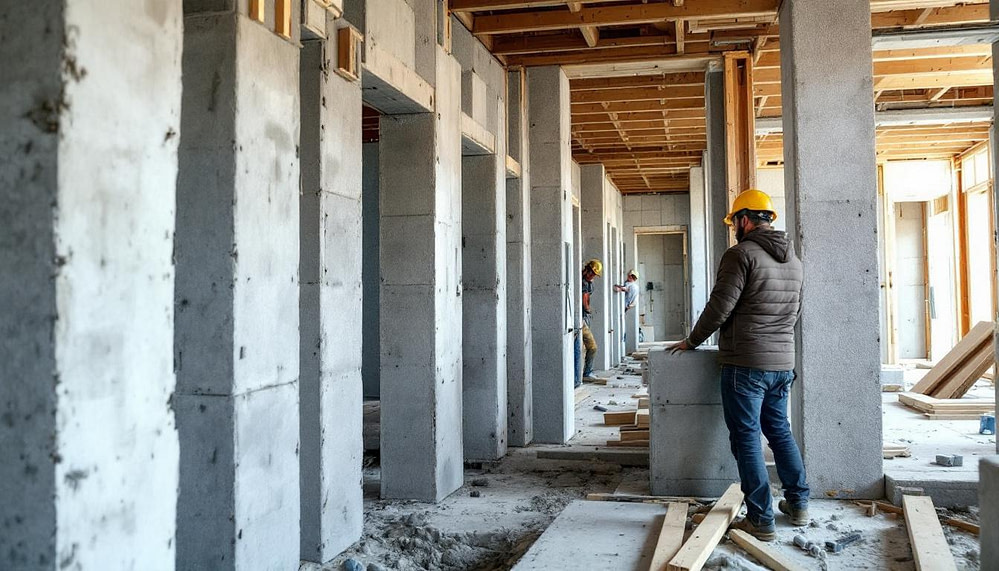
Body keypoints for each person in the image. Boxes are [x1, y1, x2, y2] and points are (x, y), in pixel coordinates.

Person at [669, 189, 809, 542]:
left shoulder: (740, 254)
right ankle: (798, 503)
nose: (733, 226)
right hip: (782, 363)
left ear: (745, 219)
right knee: (778, 431)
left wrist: (692, 341)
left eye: (733, 221)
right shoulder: (794, 260)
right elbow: (795, 312)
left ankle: (761, 519)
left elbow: (720, 307)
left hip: (747, 363)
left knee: (747, 438)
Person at [575, 259, 602, 387]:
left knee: (584, 348)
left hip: (582, 318)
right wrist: (587, 309)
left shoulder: (588, 282)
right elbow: (584, 300)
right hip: (580, 319)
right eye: (591, 273)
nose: (592, 276)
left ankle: (583, 374)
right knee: (592, 347)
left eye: (594, 274)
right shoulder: (583, 282)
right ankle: (586, 373)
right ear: (587, 269)